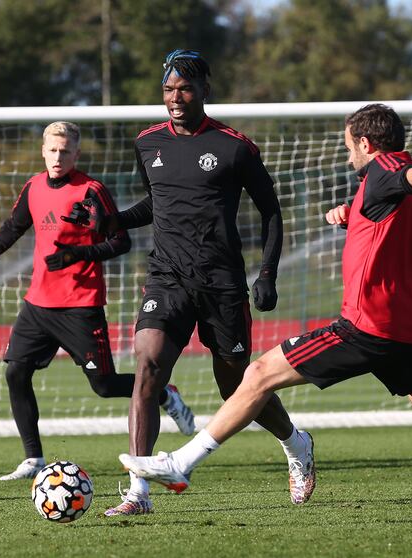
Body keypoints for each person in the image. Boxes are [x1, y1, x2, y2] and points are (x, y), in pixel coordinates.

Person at [119, 103, 412, 519]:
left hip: (367, 327)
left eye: (349, 144)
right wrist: (350, 212)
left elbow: (402, 178)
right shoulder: (379, 187)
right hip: (406, 330)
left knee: (256, 376)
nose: (347, 152)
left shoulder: (389, 168)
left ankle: (182, 462)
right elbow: (387, 203)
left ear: (367, 144)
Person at [65, 50, 313, 516]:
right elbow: (156, 205)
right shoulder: (147, 143)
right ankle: (139, 493)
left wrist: (267, 272)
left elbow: (271, 211)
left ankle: (296, 443)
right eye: (168, 89)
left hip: (221, 283)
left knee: (236, 386)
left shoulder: (235, 146)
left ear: (204, 91)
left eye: (185, 88)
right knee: (148, 366)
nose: (175, 97)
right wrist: (112, 220)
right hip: (167, 276)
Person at [0, 121, 195, 481]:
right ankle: (33, 458)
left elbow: (121, 242)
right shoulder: (34, 187)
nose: (57, 157)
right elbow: (10, 231)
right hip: (38, 304)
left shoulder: (91, 190)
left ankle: (164, 393)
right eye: (52, 150)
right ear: (43, 151)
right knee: (15, 371)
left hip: (80, 305)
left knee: (102, 385)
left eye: (65, 151)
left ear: (76, 154)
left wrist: (77, 255)